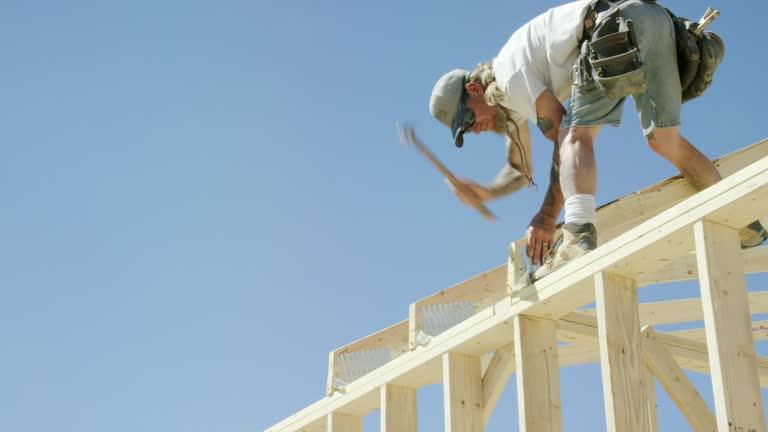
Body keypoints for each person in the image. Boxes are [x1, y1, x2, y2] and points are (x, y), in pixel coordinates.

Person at [429, 0, 766, 280]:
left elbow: (563, 136)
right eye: (466, 131)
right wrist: (486, 191)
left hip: (613, 30)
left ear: (474, 90)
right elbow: (519, 168)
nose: (474, 130)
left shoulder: (509, 75)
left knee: (575, 135)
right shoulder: (509, 98)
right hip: (653, 21)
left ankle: (578, 235)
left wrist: (548, 218)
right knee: (664, 140)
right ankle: (741, 220)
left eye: (468, 119)